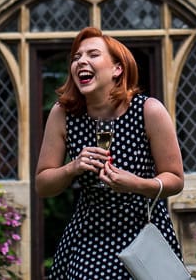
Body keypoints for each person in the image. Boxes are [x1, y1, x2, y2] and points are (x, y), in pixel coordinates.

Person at [35, 26, 185, 279]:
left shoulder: (149, 111)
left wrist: (137, 184)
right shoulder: (63, 114)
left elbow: (175, 179)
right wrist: (72, 167)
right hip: (88, 236)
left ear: (117, 69)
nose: (81, 61)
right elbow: (42, 184)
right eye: (76, 57)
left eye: (93, 54)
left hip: (143, 234)